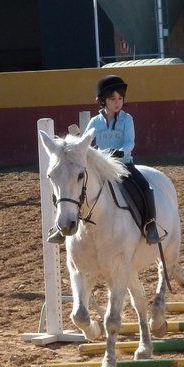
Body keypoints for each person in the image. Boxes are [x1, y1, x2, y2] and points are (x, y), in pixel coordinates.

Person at [48, 75, 160, 245]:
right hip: (101, 167)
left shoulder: (127, 119)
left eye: (120, 98)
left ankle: (150, 226)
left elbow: (130, 142)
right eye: (112, 98)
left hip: (124, 165)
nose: (117, 102)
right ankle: (60, 227)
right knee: (70, 187)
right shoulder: (95, 122)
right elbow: (85, 145)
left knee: (145, 187)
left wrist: (121, 152)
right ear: (102, 100)